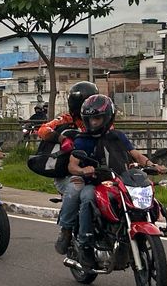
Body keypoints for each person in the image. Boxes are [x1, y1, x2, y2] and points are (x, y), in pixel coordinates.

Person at [64, 93, 159, 252]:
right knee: (87, 198)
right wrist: (83, 170)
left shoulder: (118, 136)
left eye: (98, 119)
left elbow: (135, 154)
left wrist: (151, 164)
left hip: (119, 181)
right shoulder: (83, 139)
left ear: (108, 117)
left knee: (143, 193)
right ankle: (85, 241)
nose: (93, 123)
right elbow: (72, 165)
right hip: (93, 182)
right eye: (90, 119)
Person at [40, 81, 98, 253]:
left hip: (96, 172)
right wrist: (62, 139)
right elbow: (43, 129)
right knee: (75, 190)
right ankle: (65, 231)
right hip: (69, 173)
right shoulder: (67, 119)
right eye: (88, 101)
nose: (91, 106)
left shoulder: (100, 120)